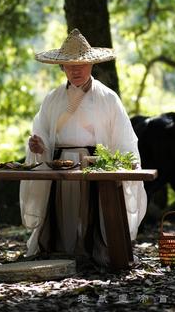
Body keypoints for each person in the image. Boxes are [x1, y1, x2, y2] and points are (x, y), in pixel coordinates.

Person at [20, 29, 147, 265]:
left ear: (91, 65)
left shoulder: (108, 98)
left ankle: (95, 252)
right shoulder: (52, 99)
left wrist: (125, 161)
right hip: (61, 164)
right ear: (62, 68)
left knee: (94, 215)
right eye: (69, 65)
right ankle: (63, 252)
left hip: (94, 164)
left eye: (80, 64)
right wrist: (39, 146)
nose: (75, 70)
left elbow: (123, 138)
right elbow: (43, 136)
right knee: (64, 215)